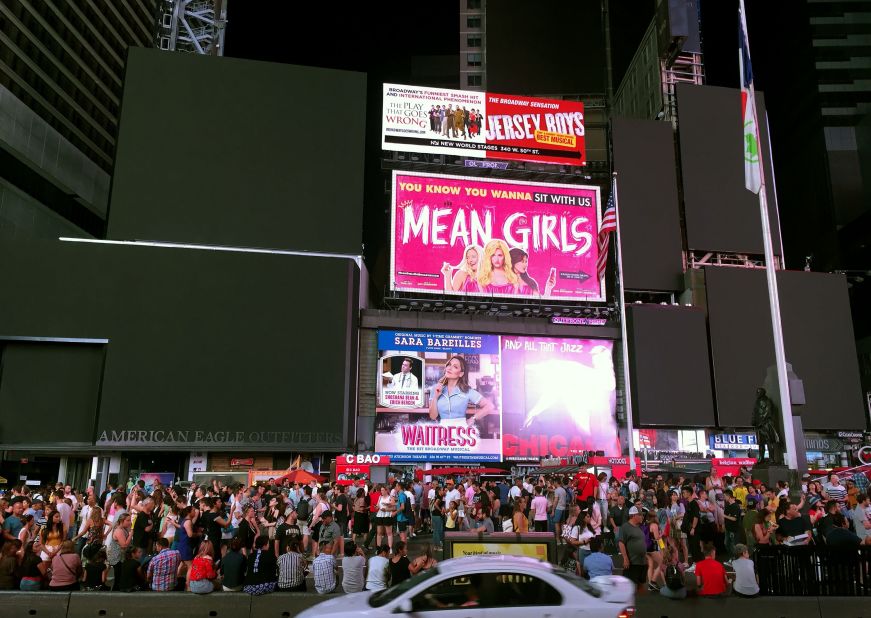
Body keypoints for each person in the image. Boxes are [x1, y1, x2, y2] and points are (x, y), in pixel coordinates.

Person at [428, 356, 495, 428]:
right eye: (449, 365)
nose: (449, 368)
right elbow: (433, 416)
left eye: (455, 367)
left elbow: (490, 406)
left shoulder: (467, 391)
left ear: (461, 374)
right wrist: (436, 397)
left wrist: (473, 419)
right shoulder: (436, 388)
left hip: (461, 430)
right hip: (443, 431)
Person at [619, 506, 648, 590]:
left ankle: (640, 602)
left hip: (642, 562)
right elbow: (621, 543)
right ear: (634, 516)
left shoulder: (639, 528)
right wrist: (625, 558)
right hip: (632, 563)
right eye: (640, 515)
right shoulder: (625, 527)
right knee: (628, 587)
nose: (642, 517)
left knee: (640, 586)